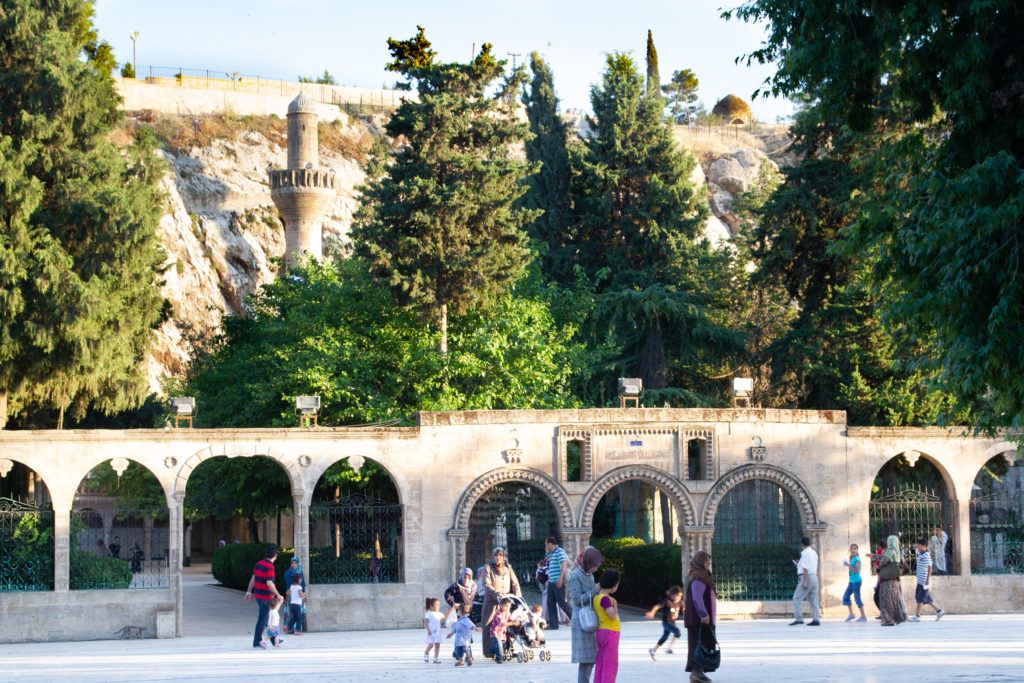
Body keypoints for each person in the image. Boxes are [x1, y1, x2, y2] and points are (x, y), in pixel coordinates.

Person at [568, 545, 604, 683]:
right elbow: (576, 600)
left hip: (591, 620)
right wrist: (595, 590)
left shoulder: (589, 575)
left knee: (591, 658)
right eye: (595, 565)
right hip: (583, 621)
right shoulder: (575, 576)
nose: (596, 568)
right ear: (588, 563)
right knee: (586, 660)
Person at [481, 548, 521, 658]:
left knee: (506, 624)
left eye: (500, 555)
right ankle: (490, 651)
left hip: (505, 601)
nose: (498, 557)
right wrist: (496, 592)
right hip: (492, 601)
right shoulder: (488, 568)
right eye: (496, 555)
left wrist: (517, 594)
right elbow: (486, 583)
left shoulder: (508, 568)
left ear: (504, 557)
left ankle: (507, 649)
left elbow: (515, 583)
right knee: (489, 625)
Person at [684, 550, 718, 683]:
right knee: (698, 645)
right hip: (699, 620)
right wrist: (703, 614)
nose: (708, 563)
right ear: (700, 561)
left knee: (704, 644)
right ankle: (696, 673)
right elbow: (697, 598)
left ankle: (699, 673)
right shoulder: (699, 576)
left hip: (703, 619)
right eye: (706, 560)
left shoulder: (701, 575)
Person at [245, 544, 282, 650]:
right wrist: (278, 595)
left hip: (258, 595)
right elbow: (269, 583)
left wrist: (248, 592)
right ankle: (257, 641)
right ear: (275, 555)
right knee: (263, 619)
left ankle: (273, 638)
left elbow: (253, 579)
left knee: (266, 617)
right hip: (266, 597)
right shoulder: (270, 566)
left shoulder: (258, 564)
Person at [593, 569, 621, 683]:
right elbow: (612, 616)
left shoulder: (596, 597)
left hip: (601, 633)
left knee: (601, 663)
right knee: (610, 665)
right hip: (610, 633)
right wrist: (615, 605)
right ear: (614, 585)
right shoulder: (606, 599)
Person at [910, 538, 946, 622]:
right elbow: (914, 546)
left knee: (920, 598)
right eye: (918, 545)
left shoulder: (926, 555)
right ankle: (939, 611)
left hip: (924, 581)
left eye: (919, 545)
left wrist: (927, 579)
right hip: (920, 581)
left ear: (924, 546)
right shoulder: (920, 553)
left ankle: (917, 616)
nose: (918, 547)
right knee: (926, 598)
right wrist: (917, 544)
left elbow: (930, 567)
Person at [646, 585, 684, 659]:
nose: (679, 598)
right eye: (677, 596)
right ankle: (668, 648)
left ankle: (653, 650)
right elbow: (657, 606)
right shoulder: (667, 601)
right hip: (666, 622)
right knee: (678, 632)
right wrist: (652, 612)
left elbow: (685, 608)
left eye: (680, 596)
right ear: (672, 595)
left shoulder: (680, 602)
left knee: (665, 637)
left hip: (672, 622)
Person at [877, 535, 908, 626]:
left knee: (886, 601)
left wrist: (875, 556)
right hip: (895, 581)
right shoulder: (898, 552)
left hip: (887, 581)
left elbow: (884, 561)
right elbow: (905, 567)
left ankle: (888, 620)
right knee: (893, 601)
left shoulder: (889, 552)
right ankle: (895, 618)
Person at [790, 536, 820, 626]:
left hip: (806, 577)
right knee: (814, 599)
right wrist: (799, 564)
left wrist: (804, 581)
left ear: (802, 544)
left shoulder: (805, 553)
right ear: (810, 543)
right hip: (814, 576)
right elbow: (809, 565)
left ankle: (799, 619)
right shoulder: (814, 552)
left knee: (797, 598)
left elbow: (806, 568)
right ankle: (816, 619)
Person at [544, 536, 572, 630]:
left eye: (546, 544)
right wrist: (547, 551)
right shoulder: (552, 553)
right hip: (552, 582)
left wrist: (560, 578)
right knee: (550, 603)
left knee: (562, 603)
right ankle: (553, 625)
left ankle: (576, 620)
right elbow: (546, 561)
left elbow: (563, 564)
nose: (546, 546)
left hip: (557, 581)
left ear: (550, 544)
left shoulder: (560, 551)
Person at [486, 596, 520, 663]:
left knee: (505, 643)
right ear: (501, 605)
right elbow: (503, 623)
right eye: (506, 606)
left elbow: (510, 618)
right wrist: (513, 623)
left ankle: (507, 652)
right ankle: (499, 657)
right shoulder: (498, 614)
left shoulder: (507, 612)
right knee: (499, 645)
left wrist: (516, 620)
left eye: (509, 606)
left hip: (502, 632)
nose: (508, 608)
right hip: (495, 632)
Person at [842, 544, 867, 622]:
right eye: (851, 548)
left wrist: (848, 565)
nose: (853, 550)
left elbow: (857, 571)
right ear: (850, 550)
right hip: (851, 582)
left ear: (857, 550)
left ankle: (863, 617)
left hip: (856, 582)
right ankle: (851, 614)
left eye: (854, 548)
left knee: (857, 598)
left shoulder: (857, 559)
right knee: (845, 597)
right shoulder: (852, 558)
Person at [283, 557, 307, 634]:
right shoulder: (287, 573)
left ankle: (296, 628)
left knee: (298, 615)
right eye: (292, 563)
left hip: (299, 596)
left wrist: (304, 594)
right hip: (292, 596)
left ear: (298, 564)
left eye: (295, 563)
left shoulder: (300, 572)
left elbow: (303, 584)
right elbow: (289, 584)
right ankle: (291, 629)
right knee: (292, 614)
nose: (293, 565)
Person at [424, 597, 445, 663]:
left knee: (437, 645)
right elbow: (426, 622)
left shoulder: (439, 613)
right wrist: (428, 630)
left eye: (439, 605)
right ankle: (426, 652)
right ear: (431, 606)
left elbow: (444, 618)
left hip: (438, 632)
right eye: (437, 605)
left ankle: (435, 658)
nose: (438, 606)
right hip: (431, 632)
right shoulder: (429, 614)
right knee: (431, 645)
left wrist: (450, 611)